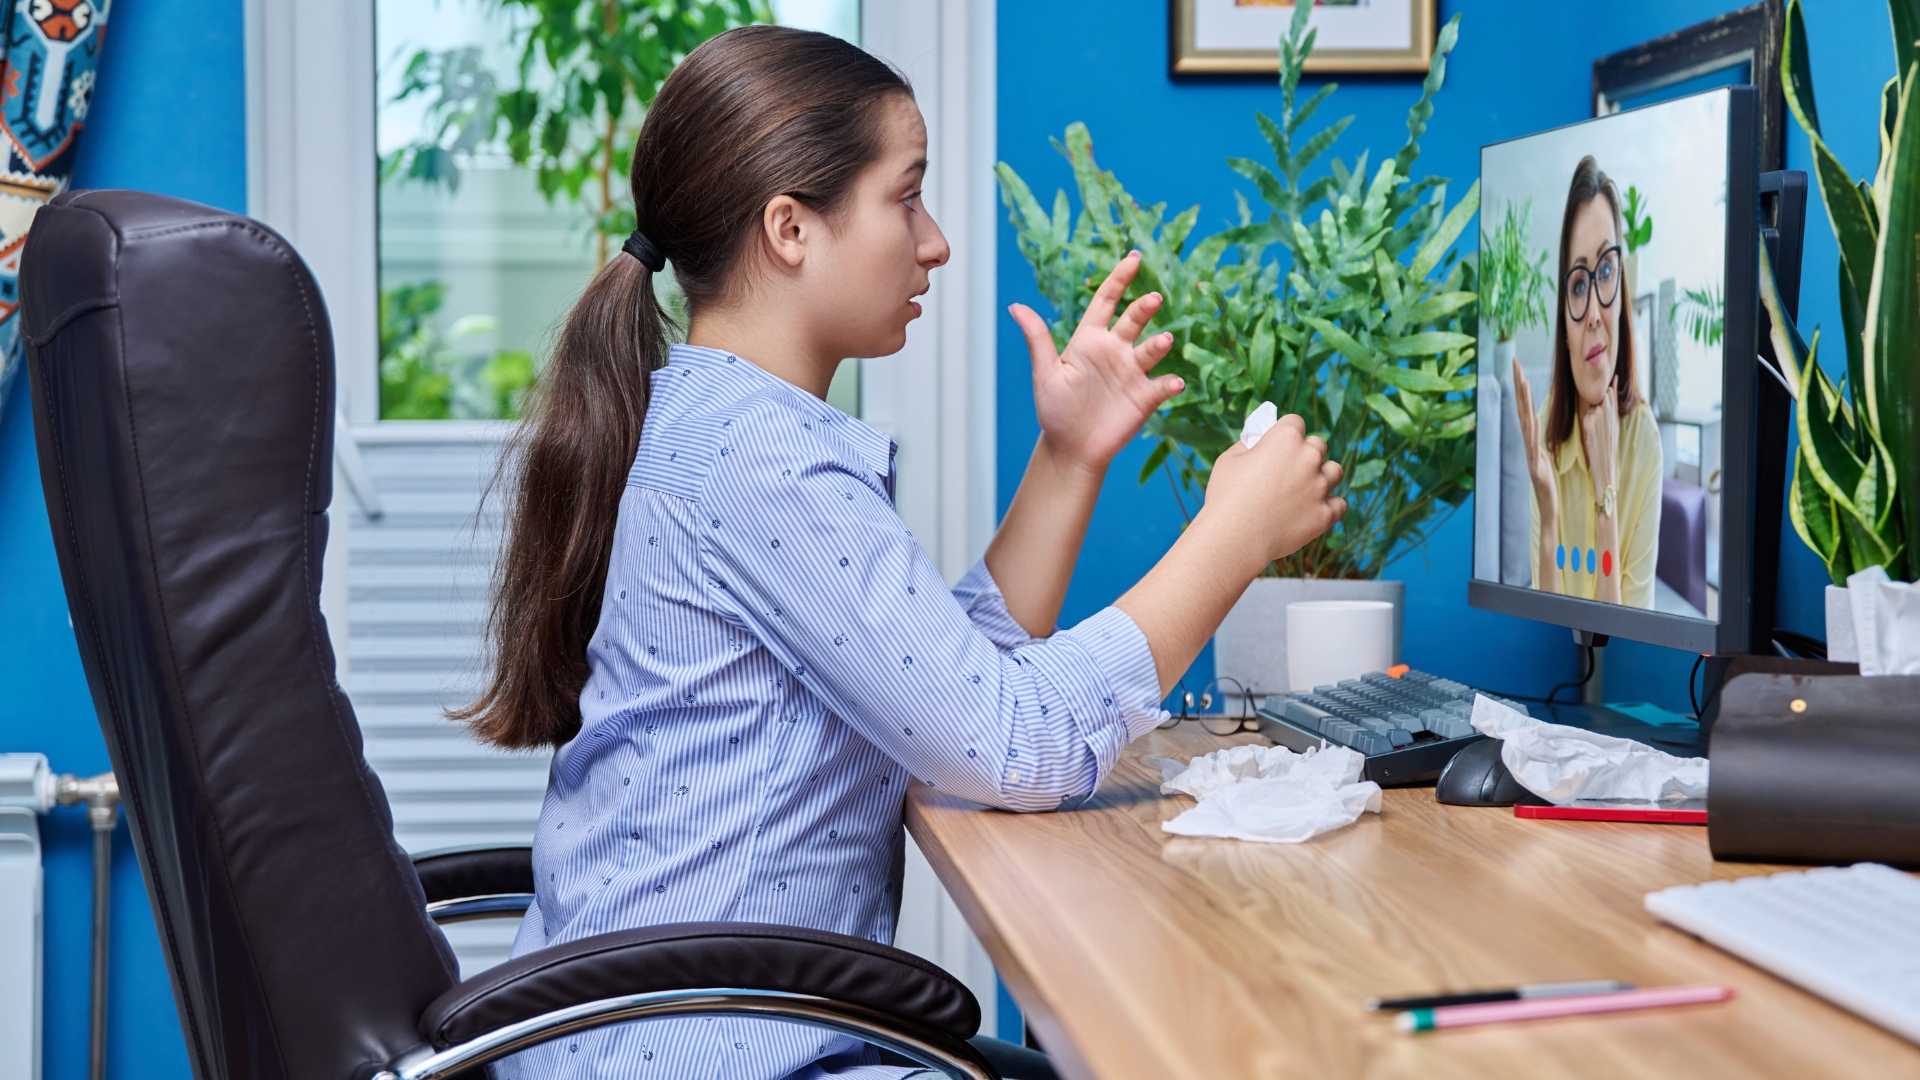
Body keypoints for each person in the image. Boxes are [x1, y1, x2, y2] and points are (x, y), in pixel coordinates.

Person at [457, 25, 1345, 1080]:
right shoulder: (762, 461)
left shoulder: (717, 425)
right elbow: (1014, 744)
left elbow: (940, 688)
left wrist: (1067, 460)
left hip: (651, 1031)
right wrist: (1232, 537)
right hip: (697, 1049)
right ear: (791, 228)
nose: (935, 242)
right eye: (905, 196)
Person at [1512, 155, 1661, 610]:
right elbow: (1547, 630)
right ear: (1564, 315)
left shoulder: (1645, 443)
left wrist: (1606, 494)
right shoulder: (1547, 431)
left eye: (1606, 272)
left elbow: (1628, 640)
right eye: (1579, 285)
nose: (1594, 311)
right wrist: (1549, 510)